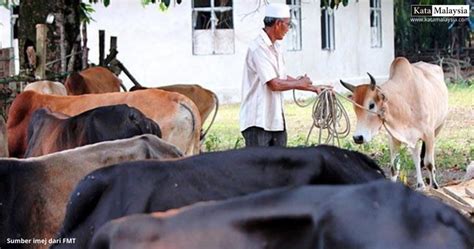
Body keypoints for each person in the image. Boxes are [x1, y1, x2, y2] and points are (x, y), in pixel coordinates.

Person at [240, 3, 330, 147]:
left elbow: (280, 77)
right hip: (258, 121)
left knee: (281, 167)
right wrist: (300, 83)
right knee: (259, 168)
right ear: (277, 24)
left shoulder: (276, 47)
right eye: (288, 25)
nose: (288, 29)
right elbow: (274, 84)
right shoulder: (258, 48)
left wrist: (314, 88)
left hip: (275, 119)